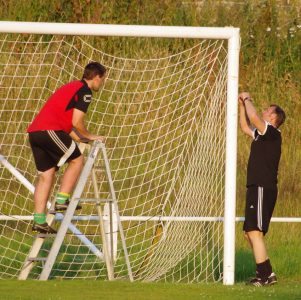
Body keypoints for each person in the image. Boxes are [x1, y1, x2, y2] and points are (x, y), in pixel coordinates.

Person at [27, 62, 106, 234]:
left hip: (35, 132)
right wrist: (91, 135)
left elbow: (68, 127)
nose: (102, 83)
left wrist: (83, 138)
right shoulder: (85, 91)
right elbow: (76, 122)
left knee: (46, 176)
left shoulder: (71, 86)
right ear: (97, 77)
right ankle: (63, 199)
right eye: (103, 79)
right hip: (50, 130)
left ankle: (39, 220)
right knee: (77, 160)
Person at [238, 92, 286, 287]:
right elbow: (245, 127)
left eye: (268, 110)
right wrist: (242, 106)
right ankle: (267, 274)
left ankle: (264, 276)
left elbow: (255, 118)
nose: (264, 111)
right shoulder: (261, 135)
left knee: (254, 231)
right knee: (250, 232)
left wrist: (247, 99)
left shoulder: (272, 133)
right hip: (256, 187)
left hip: (262, 187)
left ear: (273, 117)